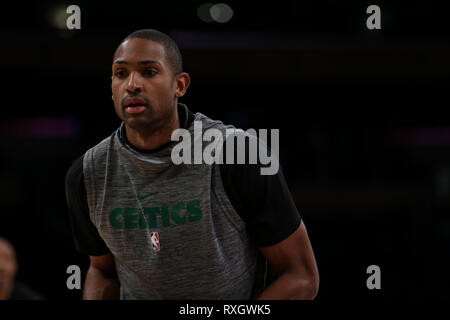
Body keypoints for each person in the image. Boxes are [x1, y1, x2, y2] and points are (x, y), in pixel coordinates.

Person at [65, 29, 319, 300]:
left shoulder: (237, 153)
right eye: (121, 73)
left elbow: (301, 277)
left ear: (180, 85)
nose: (132, 84)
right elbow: (102, 271)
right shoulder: (87, 174)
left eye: (149, 72)